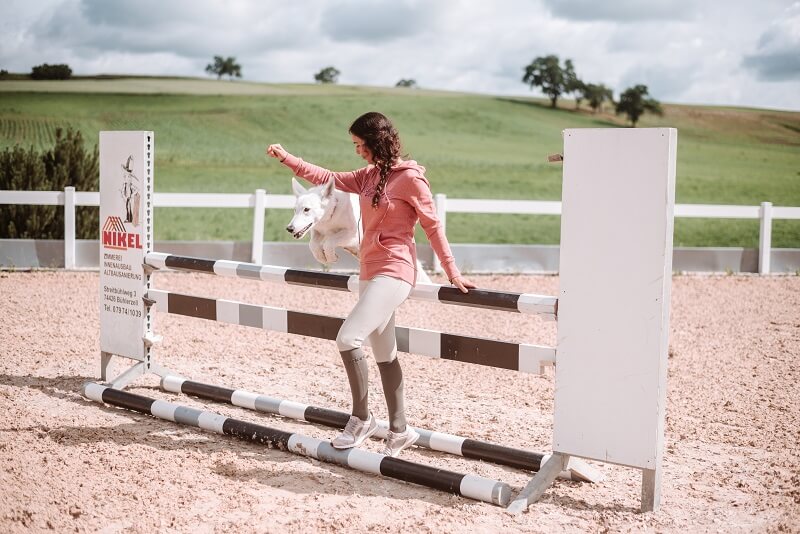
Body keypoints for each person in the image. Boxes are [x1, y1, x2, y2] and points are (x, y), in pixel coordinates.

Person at [266, 111, 475, 458]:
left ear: (376, 141)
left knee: (348, 338)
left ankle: (362, 419)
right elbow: (325, 177)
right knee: (383, 352)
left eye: (360, 144)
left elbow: (433, 226)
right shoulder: (366, 176)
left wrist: (451, 272)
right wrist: (288, 158)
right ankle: (400, 429)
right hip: (369, 268)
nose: (357, 151)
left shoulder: (410, 179)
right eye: (354, 145)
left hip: (395, 269)